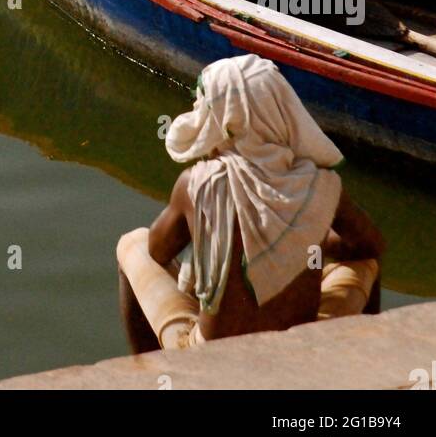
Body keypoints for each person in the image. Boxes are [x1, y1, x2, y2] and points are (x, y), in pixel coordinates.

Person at [117, 53, 384, 352]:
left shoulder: (197, 183)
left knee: (133, 244)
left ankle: (149, 375)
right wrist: (308, 236)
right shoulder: (318, 182)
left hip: (208, 356)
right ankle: (362, 372)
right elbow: (370, 245)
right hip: (301, 347)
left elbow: (158, 250)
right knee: (364, 262)